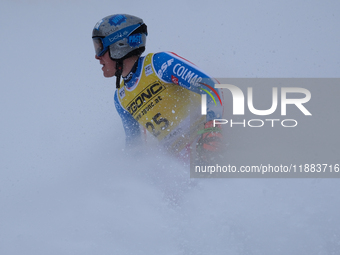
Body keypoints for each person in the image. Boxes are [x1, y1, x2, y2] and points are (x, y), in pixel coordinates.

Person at [92, 14, 224, 163]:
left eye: (99, 47)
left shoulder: (159, 64)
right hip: (181, 166)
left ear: (119, 46)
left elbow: (210, 86)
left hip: (209, 145)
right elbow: (135, 149)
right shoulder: (120, 98)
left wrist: (213, 130)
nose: (97, 57)